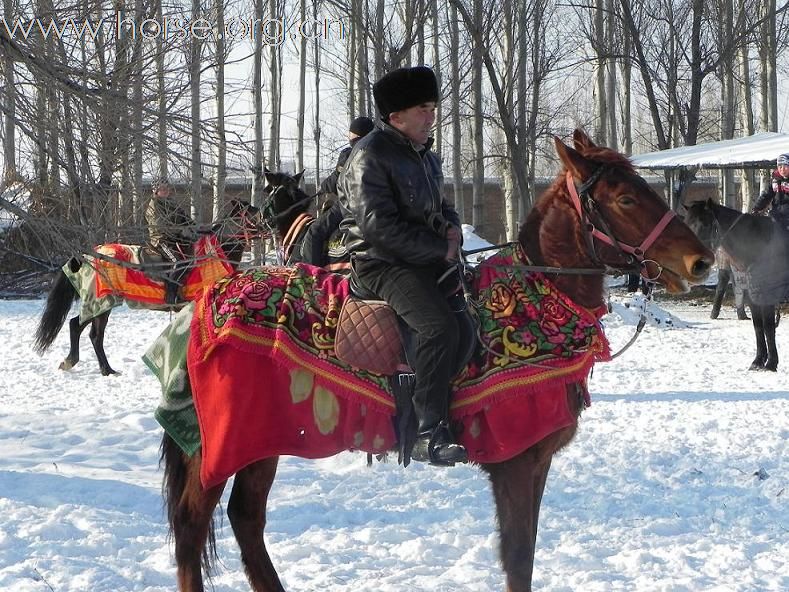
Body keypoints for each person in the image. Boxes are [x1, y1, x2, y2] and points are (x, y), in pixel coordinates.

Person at [337, 66, 467, 465]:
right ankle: (426, 433)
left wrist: (453, 230)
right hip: (380, 264)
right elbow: (378, 227)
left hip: (419, 261)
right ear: (396, 117)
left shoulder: (425, 157)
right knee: (436, 325)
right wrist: (438, 250)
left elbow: (441, 207)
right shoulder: (370, 154)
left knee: (466, 320)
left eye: (432, 108)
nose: (432, 117)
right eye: (423, 110)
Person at [300, 117, 375, 271]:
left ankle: (310, 279)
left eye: (350, 133)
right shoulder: (383, 151)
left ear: (354, 135)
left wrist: (323, 187)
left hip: (352, 205)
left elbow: (336, 181)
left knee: (314, 232)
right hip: (378, 204)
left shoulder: (351, 153)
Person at [145, 178, 195, 304]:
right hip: (162, 240)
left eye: (167, 188)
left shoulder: (170, 203)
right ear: (156, 191)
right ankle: (170, 295)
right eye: (162, 188)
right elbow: (161, 227)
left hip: (174, 239)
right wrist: (180, 231)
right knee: (178, 262)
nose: (166, 191)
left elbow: (184, 218)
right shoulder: (154, 206)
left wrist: (198, 228)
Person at [752, 153, 789, 230]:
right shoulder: (775, 179)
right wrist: (756, 208)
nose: (782, 169)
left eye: (785, 166)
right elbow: (766, 195)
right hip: (776, 216)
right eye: (780, 166)